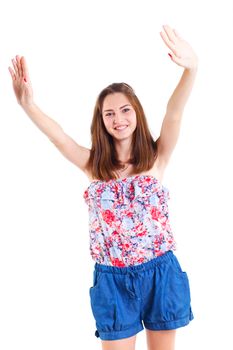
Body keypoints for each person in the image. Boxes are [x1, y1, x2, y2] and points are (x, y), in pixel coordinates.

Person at [9, 24, 198, 350]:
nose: (118, 118)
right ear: (103, 121)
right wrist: (28, 105)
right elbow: (58, 136)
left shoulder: (157, 157)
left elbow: (175, 113)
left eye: (125, 110)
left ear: (136, 113)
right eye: (109, 113)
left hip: (160, 274)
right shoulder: (93, 164)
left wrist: (191, 69)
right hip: (112, 280)